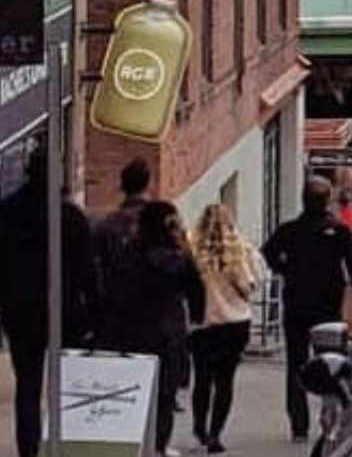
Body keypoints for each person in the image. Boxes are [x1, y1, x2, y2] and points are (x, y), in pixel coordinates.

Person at [0, 144, 95, 457]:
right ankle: (63, 443)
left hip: (20, 312)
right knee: (66, 384)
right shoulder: (70, 216)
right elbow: (86, 271)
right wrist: (95, 312)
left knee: (27, 386)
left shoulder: (7, 211)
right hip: (64, 310)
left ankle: (29, 450)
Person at [263, 177, 352, 443]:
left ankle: (299, 425)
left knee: (296, 364)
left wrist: (285, 269)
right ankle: (330, 417)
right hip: (328, 307)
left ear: (303, 199)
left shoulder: (289, 231)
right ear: (327, 200)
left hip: (296, 304)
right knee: (331, 364)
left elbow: (267, 252)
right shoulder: (338, 231)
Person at [127, 201, 205, 456]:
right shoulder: (178, 257)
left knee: (136, 386)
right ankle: (159, 444)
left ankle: (137, 439)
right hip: (170, 327)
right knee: (166, 391)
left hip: (136, 325)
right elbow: (197, 290)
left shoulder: (132, 252)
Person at [190, 203, 260, 454]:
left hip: (203, 324)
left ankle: (199, 426)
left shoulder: (194, 251)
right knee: (225, 381)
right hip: (234, 323)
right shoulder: (239, 251)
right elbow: (249, 284)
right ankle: (215, 434)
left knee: (202, 379)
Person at [91, 157, 152, 350]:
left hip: (117, 312)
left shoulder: (106, 225)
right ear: (147, 184)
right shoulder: (160, 220)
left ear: (123, 187)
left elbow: (95, 268)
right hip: (154, 315)